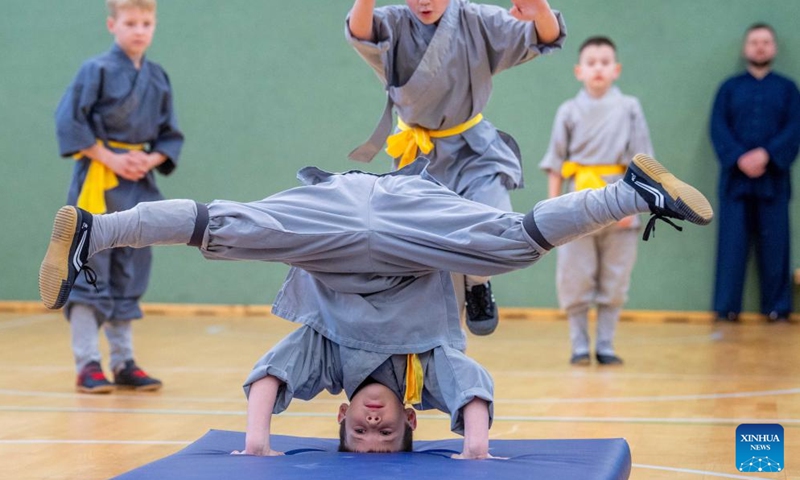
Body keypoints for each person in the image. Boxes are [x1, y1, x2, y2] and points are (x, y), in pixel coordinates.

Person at [39, 154, 712, 457]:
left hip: (332, 219)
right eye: (384, 435)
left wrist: (257, 443)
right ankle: (631, 193)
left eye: (356, 434)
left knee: (225, 229)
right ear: (412, 423)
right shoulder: (424, 369)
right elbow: (470, 393)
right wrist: (475, 450)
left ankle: (95, 232)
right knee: (509, 244)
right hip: (406, 218)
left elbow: (269, 381)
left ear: (337, 415)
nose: (371, 425)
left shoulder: (326, 357)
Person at [345, 0, 566, 336]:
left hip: (474, 152)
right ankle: (436, 336)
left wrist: (542, 11)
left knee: (494, 225)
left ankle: (480, 283)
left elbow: (542, 35)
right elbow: (360, 32)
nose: (424, 2)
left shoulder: (477, 20)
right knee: (431, 259)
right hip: (417, 158)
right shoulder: (394, 22)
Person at [53, 0, 184, 393]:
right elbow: (69, 121)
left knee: (132, 268)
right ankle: (87, 363)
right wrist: (110, 156)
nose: (139, 30)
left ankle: (124, 361)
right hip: (98, 180)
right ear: (113, 24)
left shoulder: (158, 77)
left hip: (138, 183)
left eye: (146, 23)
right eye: (130, 23)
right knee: (91, 266)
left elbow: (169, 136)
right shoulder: (96, 70)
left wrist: (148, 160)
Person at [539, 36, 653, 366]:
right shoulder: (569, 111)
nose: (598, 68)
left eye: (605, 62)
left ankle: (605, 344)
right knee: (575, 277)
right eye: (591, 63)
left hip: (622, 202)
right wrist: (553, 211)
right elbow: (556, 163)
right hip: (578, 205)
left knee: (615, 280)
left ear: (616, 69)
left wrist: (635, 206)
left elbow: (643, 161)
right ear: (579, 71)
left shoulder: (629, 107)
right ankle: (578, 345)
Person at [709, 23, 800, 324]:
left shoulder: (788, 89)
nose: (760, 47)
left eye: (766, 42)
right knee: (731, 248)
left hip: (773, 181)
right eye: (754, 42)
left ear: (773, 48)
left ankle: (777, 308)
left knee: (776, 247)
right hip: (735, 182)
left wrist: (768, 155)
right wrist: (739, 157)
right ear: (746, 48)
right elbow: (718, 127)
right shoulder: (729, 88)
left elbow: (794, 128)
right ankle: (726, 308)